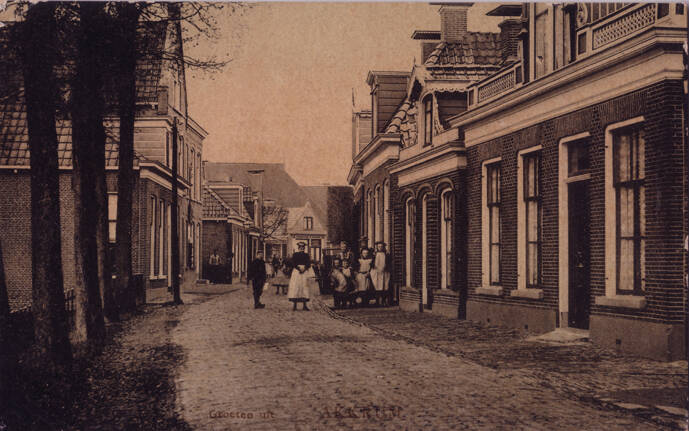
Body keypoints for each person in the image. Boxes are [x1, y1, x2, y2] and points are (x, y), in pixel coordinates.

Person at [287, 242, 314, 311]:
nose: (301, 248)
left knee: (304, 286)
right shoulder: (295, 254)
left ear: (304, 248)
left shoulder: (306, 255)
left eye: (303, 247)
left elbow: (308, 263)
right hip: (296, 272)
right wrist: (298, 269)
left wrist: (304, 268)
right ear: (298, 248)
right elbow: (293, 263)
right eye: (300, 247)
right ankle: (294, 306)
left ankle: (304, 305)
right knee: (296, 286)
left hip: (304, 272)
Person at [370, 241, 391, 306]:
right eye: (379, 246)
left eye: (381, 246)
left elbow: (388, 263)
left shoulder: (386, 254)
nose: (380, 248)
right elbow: (372, 263)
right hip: (376, 272)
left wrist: (386, 268)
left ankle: (384, 301)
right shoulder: (374, 254)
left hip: (384, 272)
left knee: (384, 286)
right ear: (377, 247)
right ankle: (378, 301)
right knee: (377, 286)